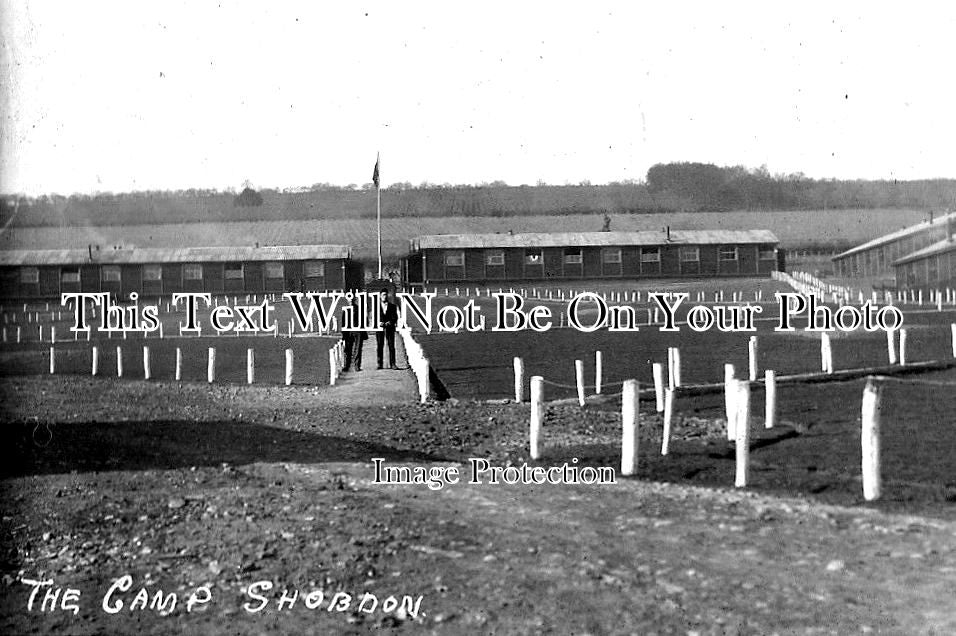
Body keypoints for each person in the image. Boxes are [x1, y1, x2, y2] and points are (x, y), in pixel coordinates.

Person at [341, 297, 367, 372]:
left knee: (358, 348)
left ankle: (357, 365)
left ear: (354, 300)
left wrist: (363, 332)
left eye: (352, 300)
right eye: (349, 300)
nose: (350, 301)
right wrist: (344, 334)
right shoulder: (346, 310)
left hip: (358, 331)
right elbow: (343, 322)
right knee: (348, 349)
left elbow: (363, 320)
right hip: (349, 332)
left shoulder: (359, 309)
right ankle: (347, 365)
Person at [376, 287, 398, 369]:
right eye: (383, 295)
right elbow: (373, 317)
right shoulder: (376, 307)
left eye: (386, 295)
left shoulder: (392, 306)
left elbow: (395, 317)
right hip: (379, 328)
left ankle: (393, 363)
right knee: (379, 345)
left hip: (390, 328)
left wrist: (390, 322)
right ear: (380, 296)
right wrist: (379, 323)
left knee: (391, 346)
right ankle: (379, 363)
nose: (384, 297)